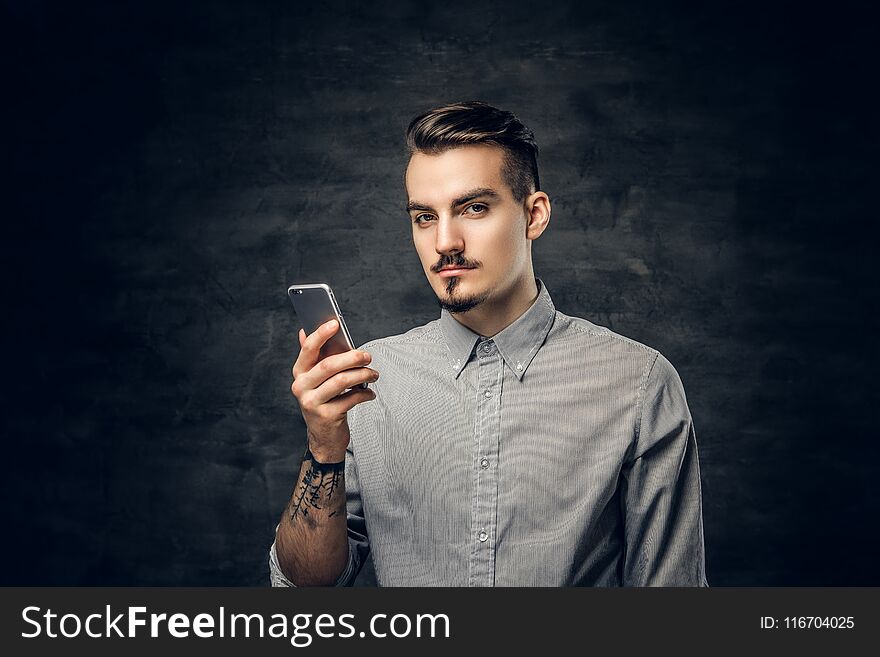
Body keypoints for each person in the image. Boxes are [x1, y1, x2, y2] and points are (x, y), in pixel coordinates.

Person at [269, 101, 708, 586]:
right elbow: (304, 588)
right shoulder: (368, 381)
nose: (445, 242)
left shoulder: (638, 383)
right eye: (424, 217)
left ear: (534, 214)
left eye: (473, 208)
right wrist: (323, 449)